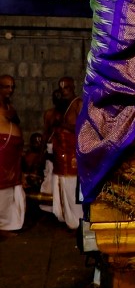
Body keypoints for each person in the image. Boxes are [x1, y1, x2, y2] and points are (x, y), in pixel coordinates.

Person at [50, 77, 84, 229]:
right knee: (61, 186)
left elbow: (83, 129)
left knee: (72, 188)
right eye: (61, 88)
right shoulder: (59, 107)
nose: (63, 91)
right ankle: (66, 218)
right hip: (60, 154)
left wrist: (63, 124)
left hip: (73, 155)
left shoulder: (78, 103)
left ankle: (77, 221)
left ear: (72, 87)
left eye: (66, 88)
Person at [0, 73, 24, 231]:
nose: (11, 90)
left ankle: (7, 224)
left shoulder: (11, 109)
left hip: (12, 153)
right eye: (7, 86)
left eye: (12, 87)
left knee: (10, 192)